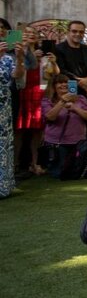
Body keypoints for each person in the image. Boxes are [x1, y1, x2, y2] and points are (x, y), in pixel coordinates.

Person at [40, 74, 87, 178]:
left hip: (78, 143)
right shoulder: (47, 101)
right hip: (57, 143)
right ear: (54, 86)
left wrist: (75, 108)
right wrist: (62, 102)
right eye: (60, 82)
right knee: (59, 174)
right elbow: (50, 117)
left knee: (77, 172)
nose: (63, 85)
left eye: (66, 82)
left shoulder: (81, 99)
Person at [14, 26, 46, 176]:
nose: (30, 35)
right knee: (18, 130)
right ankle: (14, 163)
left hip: (38, 93)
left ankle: (35, 163)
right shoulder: (17, 51)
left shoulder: (43, 55)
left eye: (33, 33)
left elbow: (46, 79)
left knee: (37, 131)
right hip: (21, 91)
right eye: (27, 33)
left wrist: (44, 91)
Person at [1, 20, 26, 198]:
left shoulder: (8, 58)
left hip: (4, 107)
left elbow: (17, 76)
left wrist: (19, 57)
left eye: (3, 30)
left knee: (3, 146)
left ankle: (3, 186)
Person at [53, 20, 87, 99]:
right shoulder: (58, 49)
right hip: (67, 89)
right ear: (68, 32)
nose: (78, 34)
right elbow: (62, 70)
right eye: (74, 31)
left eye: (81, 32)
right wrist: (84, 85)